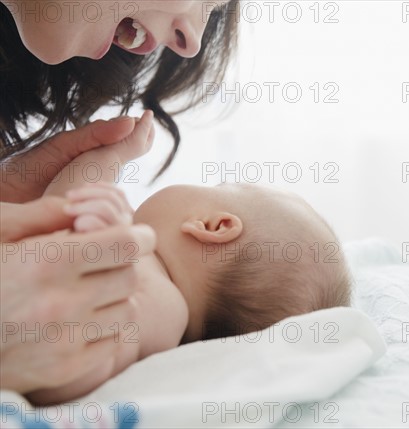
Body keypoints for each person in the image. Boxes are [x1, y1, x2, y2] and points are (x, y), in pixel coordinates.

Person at [18, 111, 352, 404]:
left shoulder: (165, 306)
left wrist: (115, 157)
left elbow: (78, 366)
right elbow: (61, 208)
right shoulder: (147, 267)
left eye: (218, 186)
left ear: (212, 226)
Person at [0, 0, 240, 394]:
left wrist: (104, 164)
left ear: (216, 226)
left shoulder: (153, 294)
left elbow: (67, 220)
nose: (192, 43)